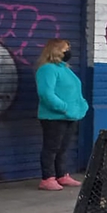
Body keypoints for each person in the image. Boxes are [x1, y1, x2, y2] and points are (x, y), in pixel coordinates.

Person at [35, 39, 89, 191]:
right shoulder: (47, 69)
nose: (68, 52)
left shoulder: (65, 68)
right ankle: (47, 178)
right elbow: (46, 93)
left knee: (63, 148)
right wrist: (63, 107)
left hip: (71, 116)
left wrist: (82, 105)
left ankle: (62, 175)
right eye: (65, 49)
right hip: (54, 117)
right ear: (56, 50)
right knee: (51, 148)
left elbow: (74, 90)